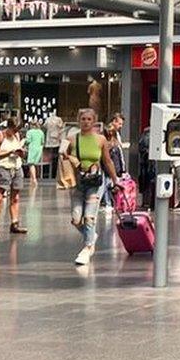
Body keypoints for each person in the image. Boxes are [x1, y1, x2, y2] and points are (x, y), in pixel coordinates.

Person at [62, 109, 120, 266]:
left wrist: (115, 179)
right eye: (83, 118)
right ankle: (91, 235)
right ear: (78, 120)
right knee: (75, 218)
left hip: (95, 182)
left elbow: (107, 161)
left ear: (94, 121)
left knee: (89, 217)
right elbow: (63, 157)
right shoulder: (71, 139)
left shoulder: (101, 140)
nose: (86, 121)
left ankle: (87, 248)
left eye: (89, 119)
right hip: (78, 182)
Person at [0, 117, 28, 237]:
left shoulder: (17, 136)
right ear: (8, 127)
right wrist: (9, 152)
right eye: (13, 130)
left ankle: (14, 223)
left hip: (16, 167)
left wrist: (21, 153)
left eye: (17, 130)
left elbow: (19, 151)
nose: (15, 133)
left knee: (15, 197)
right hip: (3, 168)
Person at [25, 121, 45, 187]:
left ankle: (34, 179)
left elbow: (28, 141)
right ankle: (32, 179)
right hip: (39, 149)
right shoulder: (41, 132)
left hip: (32, 148)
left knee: (31, 164)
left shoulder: (30, 132)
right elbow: (42, 141)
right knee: (35, 164)